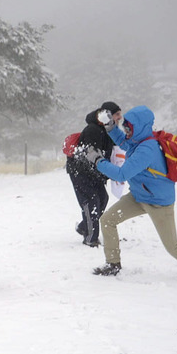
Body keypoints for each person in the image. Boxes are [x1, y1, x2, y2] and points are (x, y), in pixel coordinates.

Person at [84, 106, 177, 284]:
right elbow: (123, 142)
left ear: (140, 128)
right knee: (107, 220)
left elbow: (121, 174)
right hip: (138, 196)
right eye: (125, 126)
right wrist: (111, 126)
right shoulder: (138, 140)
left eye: (129, 127)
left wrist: (98, 160)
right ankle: (113, 264)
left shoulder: (147, 150)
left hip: (158, 202)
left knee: (172, 245)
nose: (126, 130)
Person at [66, 101, 122, 247]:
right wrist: (104, 173)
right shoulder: (92, 130)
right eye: (117, 114)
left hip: (95, 172)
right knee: (91, 202)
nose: (120, 117)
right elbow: (89, 155)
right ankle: (91, 238)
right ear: (107, 115)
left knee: (102, 198)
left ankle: (84, 227)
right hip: (80, 171)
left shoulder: (109, 130)